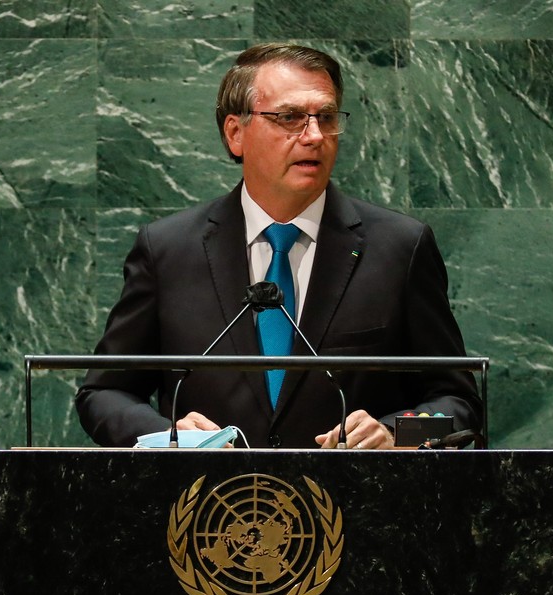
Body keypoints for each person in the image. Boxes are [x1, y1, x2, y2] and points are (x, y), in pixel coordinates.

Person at [75, 43, 482, 449]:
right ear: (236, 133)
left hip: (353, 489)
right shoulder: (168, 250)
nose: (315, 136)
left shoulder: (400, 248)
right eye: (290, 118)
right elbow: (104, 393)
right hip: (208, 491)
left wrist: (395, 433)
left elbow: (459, 405)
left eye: (326, 117)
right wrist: (167, 438)